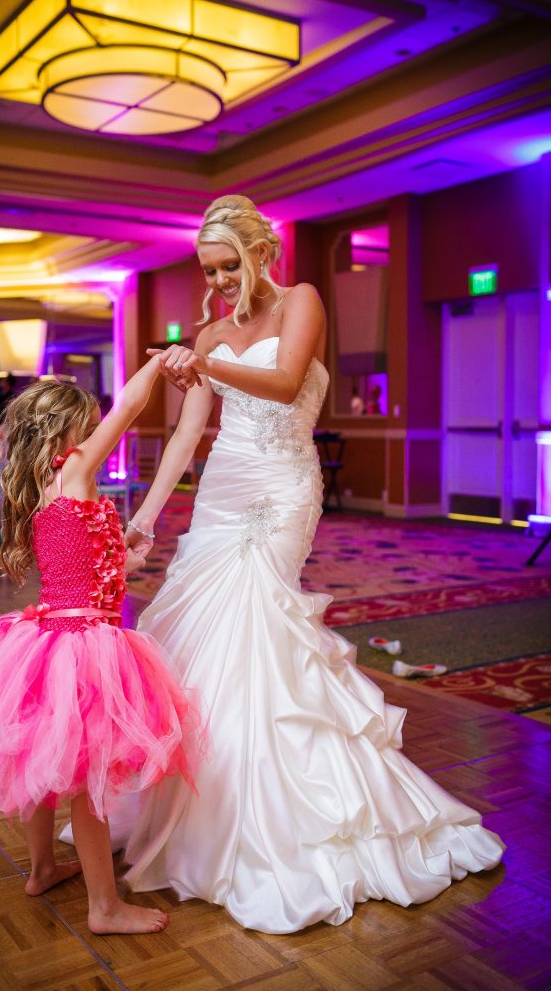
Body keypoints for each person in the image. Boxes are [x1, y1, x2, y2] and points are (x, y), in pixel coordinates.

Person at [118, 194, 504, 932]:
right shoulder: (208, 332)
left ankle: (290, 817)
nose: (223, 281)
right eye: (210, 270)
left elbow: (289, 381)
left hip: (282, 492)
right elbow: (187, 435)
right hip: (222, 492)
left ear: (261, 253)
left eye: (231, 265)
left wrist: (202, 361)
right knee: (200, 642)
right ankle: (206, 812)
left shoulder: (303, 300)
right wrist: (145, 515)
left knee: (259, 627)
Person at [0, 363, 205, 935]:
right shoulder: (73, 468)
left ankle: (42, 867)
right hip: (82, 644)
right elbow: (127, 410)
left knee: (45, 764)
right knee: (85, 775)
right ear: (68, 433)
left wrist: (124, 555)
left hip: (52, 635)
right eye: (90, 426)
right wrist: (154, 363)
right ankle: (105, 907)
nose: (100, 433)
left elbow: (83, 561)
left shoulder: (53, 487)